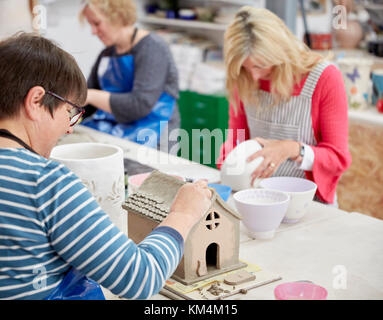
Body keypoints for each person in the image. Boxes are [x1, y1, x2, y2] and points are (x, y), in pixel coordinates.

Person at [0, 33, 212, 300]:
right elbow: (140, 279)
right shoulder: (45, 184)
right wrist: (183, 214)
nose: (69, 127)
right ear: (36, 101)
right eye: (69, 112)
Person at [218, 7, 352, 205]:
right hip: (257, 198)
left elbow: (338, 158)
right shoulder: (243, 77)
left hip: (308, 204)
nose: (253, 76)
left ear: (279, 54)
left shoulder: (324, 77)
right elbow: (237, 140)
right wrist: (227, 162)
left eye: (259, 65)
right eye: (245, 67)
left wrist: (293, 149)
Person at [79, 0, 180, 151]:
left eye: (97, 23)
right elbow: (87, 102)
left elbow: (140, 105)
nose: (93, 31)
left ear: (118, 16)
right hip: (117, 128)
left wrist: (91, 95)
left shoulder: (153, 49)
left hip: (153, 131)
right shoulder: (107, 53)